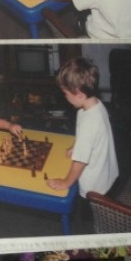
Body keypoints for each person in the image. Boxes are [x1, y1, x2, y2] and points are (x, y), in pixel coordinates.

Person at [46, 58, 119, 203]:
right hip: (106, 173)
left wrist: (66, 182)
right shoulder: (96, 104)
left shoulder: (89, 122)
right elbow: (93, 139)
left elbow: (80, 162)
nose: (65, 97)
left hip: (95, 187)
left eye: (65, 93)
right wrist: (76, 147)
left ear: (79, 94)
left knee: (92, 214)